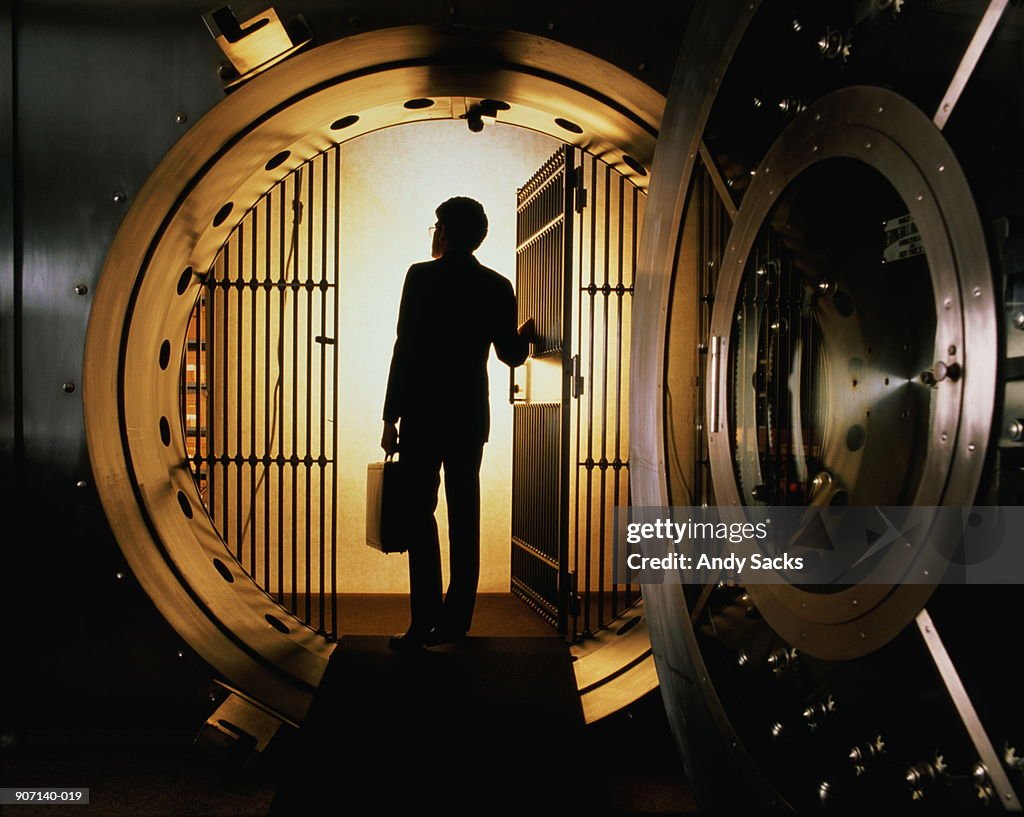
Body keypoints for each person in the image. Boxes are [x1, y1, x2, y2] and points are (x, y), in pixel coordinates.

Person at [381, 196, 534, 649]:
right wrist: (527, 333)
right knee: (464, 517)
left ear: (444, 231)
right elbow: (509, 354)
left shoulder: (420, 278)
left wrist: (391, 416)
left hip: (423, 414)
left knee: (417, 514)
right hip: (468, 416)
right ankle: (456, 622)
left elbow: (403, 348)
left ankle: (422, 620)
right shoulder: (496, 285)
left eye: (435, 226)